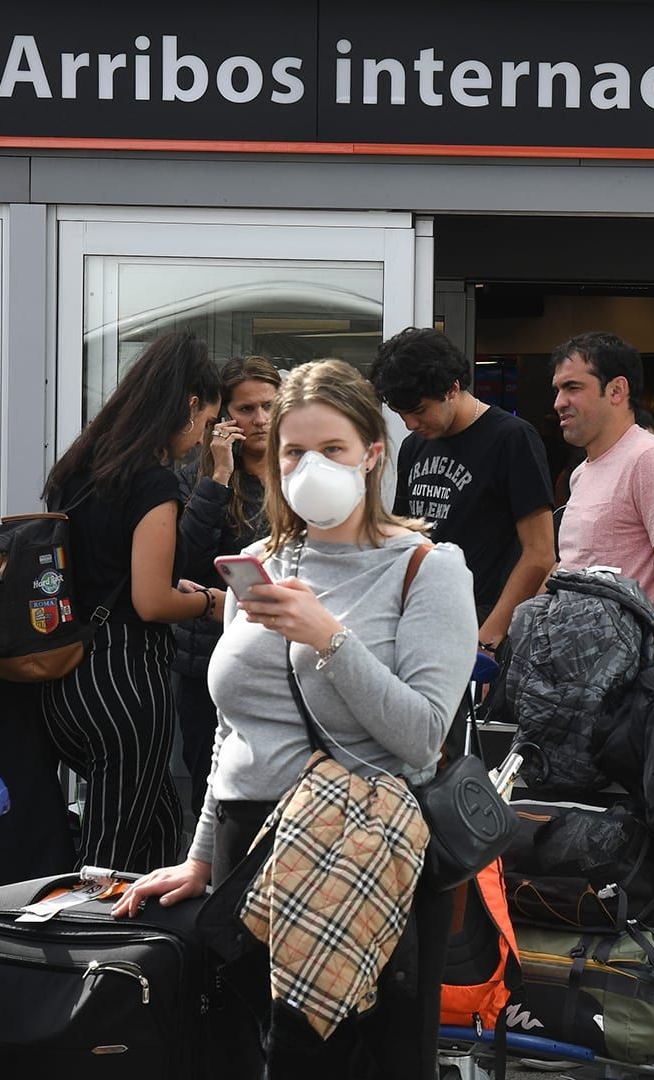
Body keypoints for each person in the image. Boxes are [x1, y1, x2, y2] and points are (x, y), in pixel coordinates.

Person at [117, 359, 478, 1076]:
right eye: (294, 451)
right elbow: (233, 728)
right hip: (250, 850)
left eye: (332, 449)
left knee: (351, 1061)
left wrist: (329, 638)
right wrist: (200, 855)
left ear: (373, 453)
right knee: (249, 1055)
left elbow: (421, 735)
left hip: (360, 852)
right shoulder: (258, 561)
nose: (310, 466)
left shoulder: (426, 568)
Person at [40, 330, 235, 874]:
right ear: (190, 405)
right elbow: (150, 601)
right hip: (124, 680)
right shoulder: (153, 483)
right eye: (205, 423)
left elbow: (111, 575)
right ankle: (88, 954)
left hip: (67, 671)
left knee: (160, 825)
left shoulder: (79, 468)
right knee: (110, 858)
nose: (201, 440)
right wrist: (207, 604)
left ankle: (151, 949)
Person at [371, 327, 555, 653]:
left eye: (419, 411)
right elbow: (405, 541)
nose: (410, 425)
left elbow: (540, 553)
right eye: (401, 415)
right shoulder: (414, 446)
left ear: (452, 388)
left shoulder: (512, 438)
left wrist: (490, 637)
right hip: (425, 619)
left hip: (486, 619)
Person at [170, 356, 282, 818]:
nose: (259, 420)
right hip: (210, 655)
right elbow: (186, 561)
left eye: (269, 407)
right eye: (246, 409)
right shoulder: (196, 474)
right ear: (222, 416)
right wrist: (218, 475)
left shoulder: (296, 471)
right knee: (211, 779)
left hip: (281, 653)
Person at [550, 331, 654, 640]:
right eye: (557, 389)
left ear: (617, 390)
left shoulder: (650, 458)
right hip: (575, 666)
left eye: (573, 387)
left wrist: (648, 664)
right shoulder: (581, 472)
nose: (558, 402)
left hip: (623, 676)